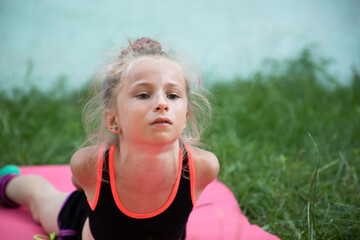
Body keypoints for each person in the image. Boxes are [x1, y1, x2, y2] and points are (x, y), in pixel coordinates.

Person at [0, 37, 219, 240]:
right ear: (114, 119)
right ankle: (7, 183)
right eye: (143, 94)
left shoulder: (202, 167)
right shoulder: (90, 165)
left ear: (185, 117)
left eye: (173, 95)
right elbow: (80, 184)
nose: (162, 103)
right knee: (40, 198)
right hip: (81, 223)